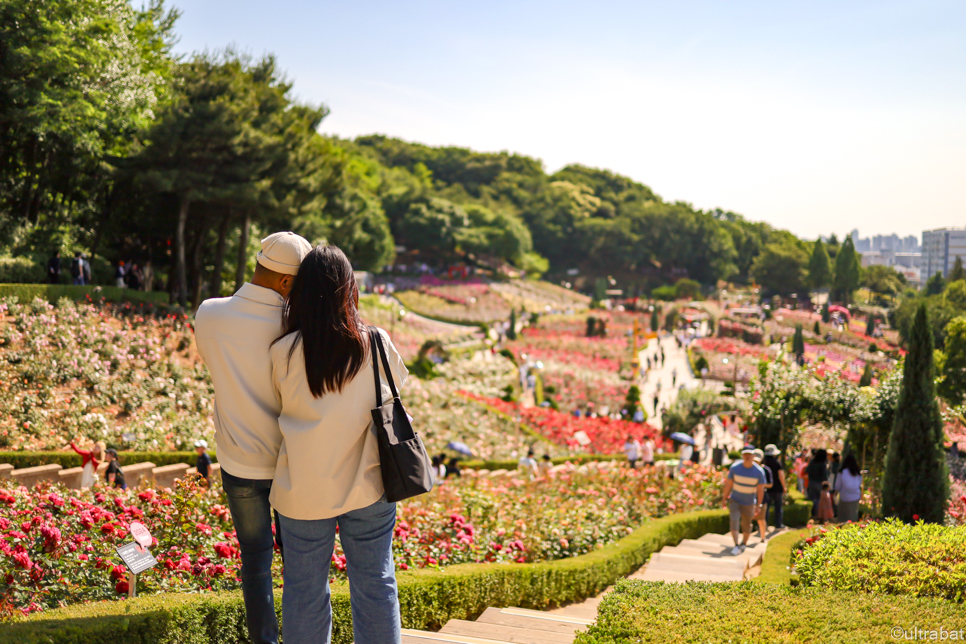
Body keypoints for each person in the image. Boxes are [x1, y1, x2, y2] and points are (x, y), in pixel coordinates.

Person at [268, 245, 406, 644]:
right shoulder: (375, 343)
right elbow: (398, 389)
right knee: (376, 585)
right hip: (369, 483)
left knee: (304, 592)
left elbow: (281, 405)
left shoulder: (283, 352)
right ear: (349, 289)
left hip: (303, 489)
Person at [194, 230, 313, 644]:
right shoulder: (293, 324)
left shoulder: (208, 313)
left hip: (238, 462)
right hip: (288, 461)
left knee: (255, 558)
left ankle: (264, 640)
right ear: (286, 283)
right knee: (302, 563)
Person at [720, 446, 766, 556]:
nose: (747, 456)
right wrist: (724, 498)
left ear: (754, 456)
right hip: (735, 499)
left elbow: (760, 490)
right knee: (734, 520)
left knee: (746, 524)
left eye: (750, 454)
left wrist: (758, 505)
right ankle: (736, 545)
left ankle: (743, 543)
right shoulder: (735, 468)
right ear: (742, 455)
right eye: (745, 454)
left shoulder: (759, 472)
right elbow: (729, 484)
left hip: (749, 501)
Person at [762, 444, 787, 529]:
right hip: (777, 488)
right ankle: (778, 524)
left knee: (766, 507)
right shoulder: (777, 463)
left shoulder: (764, 463)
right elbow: (781, 475)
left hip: (767, 488)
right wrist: (784, 486)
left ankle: (764, 525)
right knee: (778, 507)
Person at [834, 454, 863, 522]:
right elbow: (859, 483)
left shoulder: (842, 472)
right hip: (855, 495)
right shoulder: (857, 472)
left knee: (843, 516)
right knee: (853, 515)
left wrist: (835, 492)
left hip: (844, 496)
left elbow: (838, 484)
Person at [752, 449, 772, 540]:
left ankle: (763, 537)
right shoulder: (749, 469)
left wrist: (760, 485)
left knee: (761, 519)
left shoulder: (766, 470)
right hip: (750, 497)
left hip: (762, 497)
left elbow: (770, 484)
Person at [806, 449, 829, 518]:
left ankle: (810, 515)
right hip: (819, 483)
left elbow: (807, 470)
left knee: (811, 499)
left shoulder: (812, 461)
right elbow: (824, 475)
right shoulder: (823, 463)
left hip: (811, 482)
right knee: (818, 500)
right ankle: (816, 515)